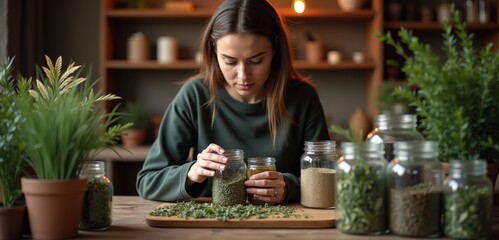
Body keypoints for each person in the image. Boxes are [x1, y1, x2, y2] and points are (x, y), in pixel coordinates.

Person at [136, 0, 329, 204]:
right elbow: (148, 181)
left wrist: (289, 187)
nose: (243, 75)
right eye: (230, 61)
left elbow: (326, 178)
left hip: (285, 227)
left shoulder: (303, 98)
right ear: (213, 48)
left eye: (256, 60)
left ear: (275, 48)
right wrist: (192, 172)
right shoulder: (194, 96)